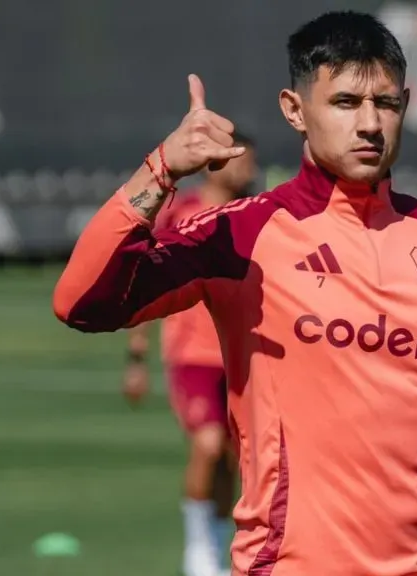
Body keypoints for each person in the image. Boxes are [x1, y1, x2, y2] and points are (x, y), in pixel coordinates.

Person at [53, 11, 417, 576]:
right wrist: (160, 172)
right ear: (295, 110)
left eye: (387, 103)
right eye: (346, 103)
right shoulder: (241, 235)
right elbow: (83, 303)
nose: (371, 123)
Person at [122, 134, 257, 576]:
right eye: (240, 161)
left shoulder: (257, 215)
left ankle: (217, 545)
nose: (247, 170)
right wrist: (137, 357)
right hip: (192, 354)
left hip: (242, 355)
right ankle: (198, 546)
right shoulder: (182, 213)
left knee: (235, 459)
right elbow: (148, 282)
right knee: (208, 443)